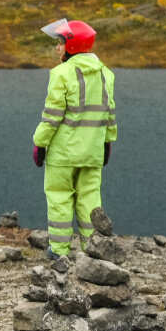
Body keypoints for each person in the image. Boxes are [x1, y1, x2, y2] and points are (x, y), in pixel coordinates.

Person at [30, 19, 117, 264]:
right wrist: (107, 142)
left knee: (59, 196)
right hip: (92, 152)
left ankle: (59, 250)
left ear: (72, 46)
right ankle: (93, 247)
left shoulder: (61, 74)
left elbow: (52, 117)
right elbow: (109, 114)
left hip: (63, 152)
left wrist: (39, 143)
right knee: (90, 197)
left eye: (60, 43)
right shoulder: (105, 74)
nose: (57, 48)